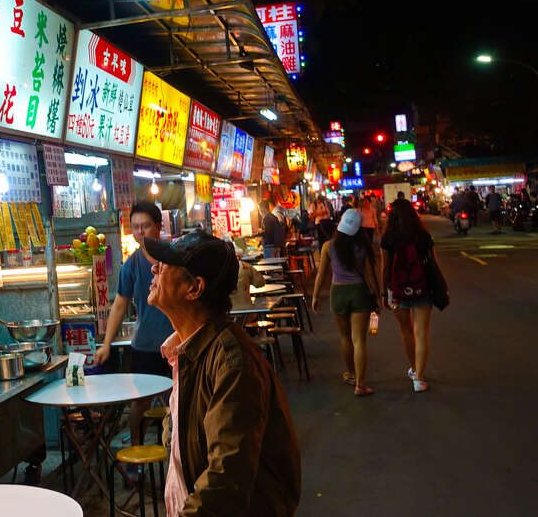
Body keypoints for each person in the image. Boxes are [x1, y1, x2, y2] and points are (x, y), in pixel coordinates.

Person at [143, 233, 301, 516]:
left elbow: (225, 480)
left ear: (194, 288)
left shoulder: (231, 362)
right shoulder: (187, 352)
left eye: (166, 265)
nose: (155, 269)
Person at [94, 202, 174, 448]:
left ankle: (179, 454)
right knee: (140, 402)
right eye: (136, 227)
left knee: (179, 401)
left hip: (177, 344)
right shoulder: (130, 266)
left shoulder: (175, 258)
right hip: (145, 346)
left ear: (159, 227)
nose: (141, 232)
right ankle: (137, 451)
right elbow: (119, 305)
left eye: (146, 226)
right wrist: (106, 344)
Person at [311, 209, 383, 395]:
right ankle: (360, 384)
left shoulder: (328, 246)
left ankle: (350, 373)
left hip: (338, 292)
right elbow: (370, 275)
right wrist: (379, 296)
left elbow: (321, 274)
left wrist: (315, 296)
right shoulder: (362, 247)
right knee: (359, 340)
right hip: (359, 292)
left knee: (345, 337)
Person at [381, 198, 440, 393]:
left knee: (406, 330)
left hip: (397, 290)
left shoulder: (388, 237)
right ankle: (419, 378)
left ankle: (415, 368)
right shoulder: (422, 235)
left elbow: (385, 267)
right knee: (421, 332)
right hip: (422, 287)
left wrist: (385, 291)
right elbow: (433, 262)